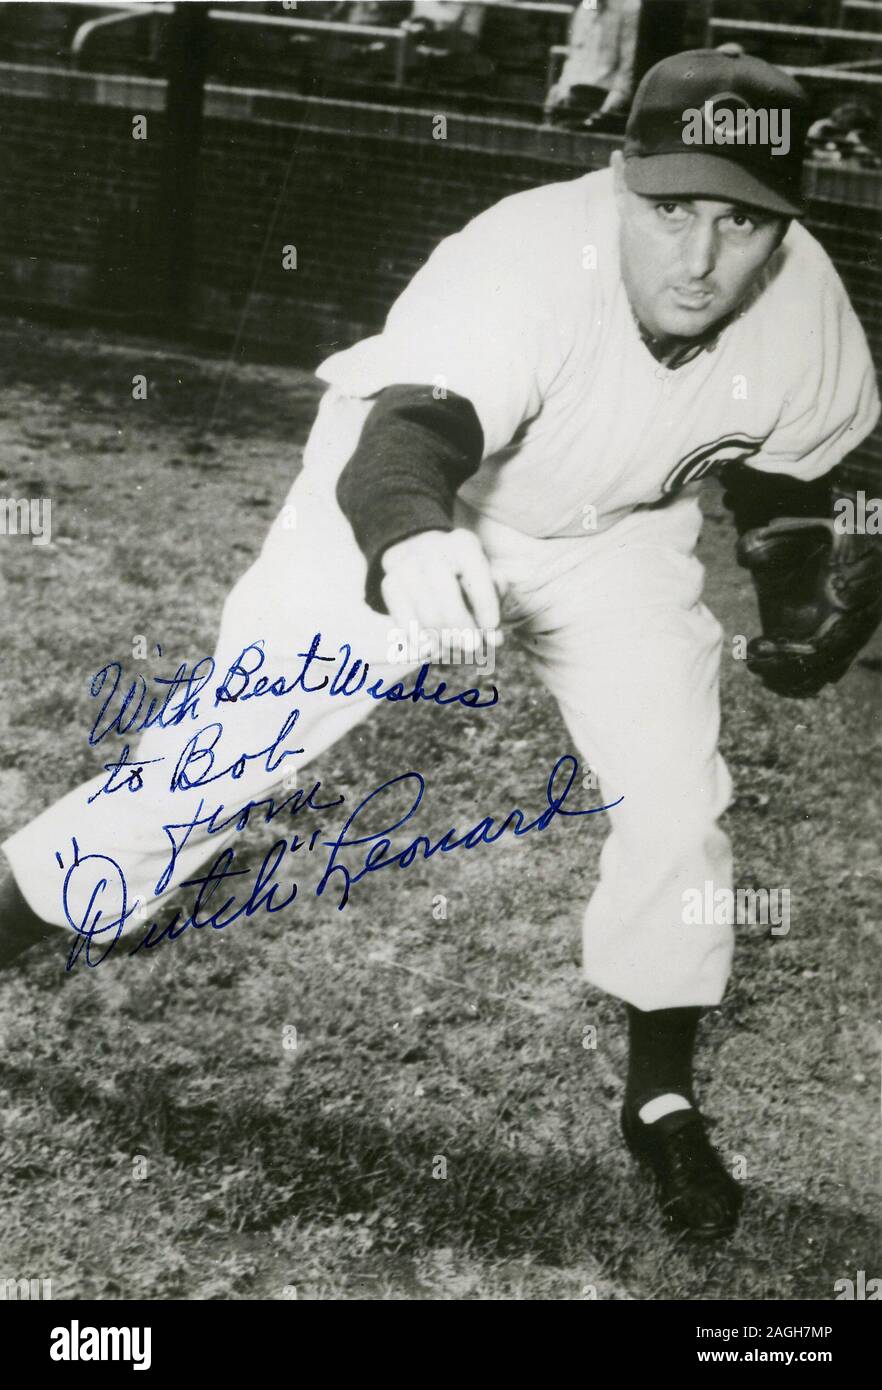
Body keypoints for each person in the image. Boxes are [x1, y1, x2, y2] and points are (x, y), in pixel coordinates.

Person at [2, 50, 879, 1240]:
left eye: (742, 220)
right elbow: (410, 431)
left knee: (679, 803)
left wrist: (794, 612)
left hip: (613, 534)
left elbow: (785, 471)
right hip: (398, 503)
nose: (701, 256)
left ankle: (660, 1097)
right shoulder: (525, 257)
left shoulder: (803, 296)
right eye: (672, 208)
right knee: (219, 760)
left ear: (787, 223)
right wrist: (412, 544)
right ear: (621, 179)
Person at [546, 0, 641, 130]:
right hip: (575, 96)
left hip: (604, 100)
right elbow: (574, 54)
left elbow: (627, 68)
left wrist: (606, 110)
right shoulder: (586, 5)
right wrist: (562, 89)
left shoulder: (630, 7)